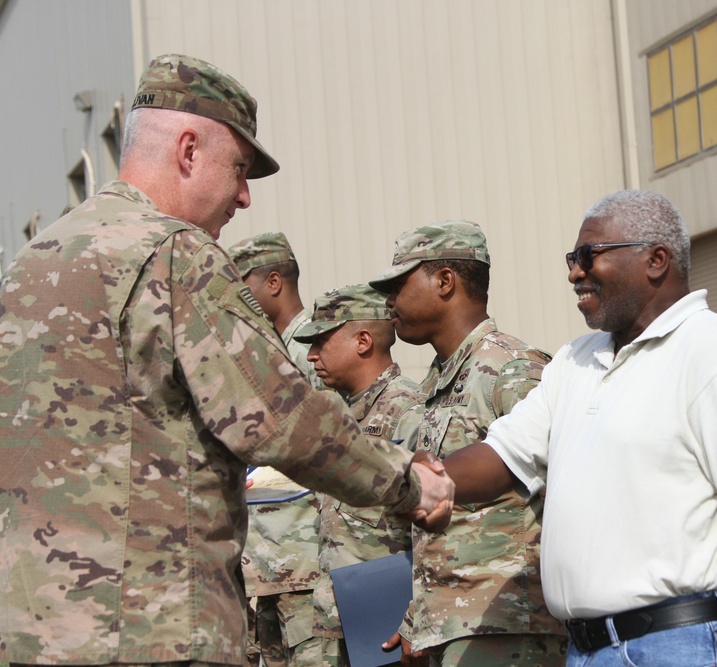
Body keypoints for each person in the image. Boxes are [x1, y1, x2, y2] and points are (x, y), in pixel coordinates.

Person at [0, 54, 452, 667]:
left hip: (30, 634)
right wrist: (410, 483)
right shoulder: (174, 255)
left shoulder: (28, 267)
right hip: (153, 631)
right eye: (238, 168)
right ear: (188, 150)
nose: (243, 197)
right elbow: (282, 418)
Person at [440, 190, 717, 667]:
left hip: (687, 646)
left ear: (656, 260)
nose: (574, 272)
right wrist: (412, 480)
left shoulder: (716, 353)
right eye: (572, 258)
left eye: (588, 256)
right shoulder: (575, 361)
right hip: (589, 651)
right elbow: (503, 454)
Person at [370, 222, 567, 665]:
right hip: (446, 629)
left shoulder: (514, 369)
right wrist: (417, 618)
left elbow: (566, 496)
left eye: (399, 286)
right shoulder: (433, 384)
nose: (389, 302)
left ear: (445, 281)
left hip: (509, 627)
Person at [291, 283, 424, 666]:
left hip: (392, 628)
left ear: (363, 341)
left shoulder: (410, 411)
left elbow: (434, 533)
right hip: (343, 625)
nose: (312, 355)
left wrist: (416, 618)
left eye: (321, 341)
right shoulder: (335, 417)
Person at [228, 233, 326, 667]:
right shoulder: (272, 351)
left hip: (303, 562)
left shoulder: (315, 351)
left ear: (272, 282)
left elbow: (326, 447)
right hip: (272, 567)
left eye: (240, 284)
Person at [229, 231, 324, 389]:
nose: (235, 298)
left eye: (241, 289)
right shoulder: (275, 344)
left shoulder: (309, 348)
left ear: (273, 283)